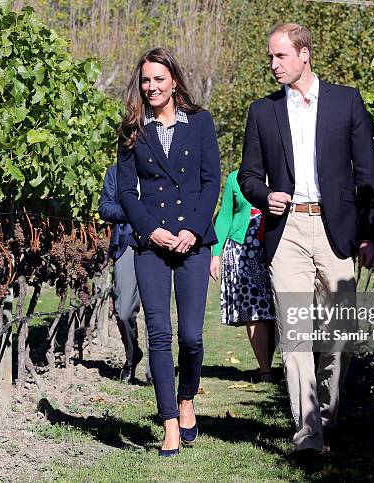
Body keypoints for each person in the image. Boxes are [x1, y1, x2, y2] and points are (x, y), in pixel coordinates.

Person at [238, 23, 374, 462]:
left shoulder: (346, 102)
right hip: (289, 233)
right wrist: (265, 196)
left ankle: (327, 411)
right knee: (296, 333)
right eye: (270, 58)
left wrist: (370, 233)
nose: (274, 65)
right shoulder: (262, 112)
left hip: (336, 229)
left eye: (280, 56)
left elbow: (367, 175)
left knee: (340, 334)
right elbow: (247, 176)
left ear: (304, 54)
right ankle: (309, 433)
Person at [116, 47, 220, 457]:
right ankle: (170, 425)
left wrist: (193, 231)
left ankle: (187, 397)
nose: (151, 86)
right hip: (150, 245)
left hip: (193, 242)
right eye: (145, 80)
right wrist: (151, 230)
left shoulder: (200, 123)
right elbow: (126, 190)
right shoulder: (131, 129)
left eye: (158, 79)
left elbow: (211, 180)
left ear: (173, 80)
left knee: (191, 337)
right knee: (159, 335)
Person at [210, 170, 275, 382]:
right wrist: (216, 254)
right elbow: (225, 216)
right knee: (254, 309)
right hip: (242, 251)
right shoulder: (234, 178)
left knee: (274, 311)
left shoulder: (281, 174)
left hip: (274, 248)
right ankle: (265, 369)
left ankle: (268, 363)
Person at [98, 164, 152, 385]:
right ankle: (132, 355)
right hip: (126, 244)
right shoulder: (115, 172)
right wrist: (133, 212)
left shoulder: (158, 165)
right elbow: (104, 208)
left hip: (157, 242)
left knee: (154, 311)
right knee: (123, 311)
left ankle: (154, 370)